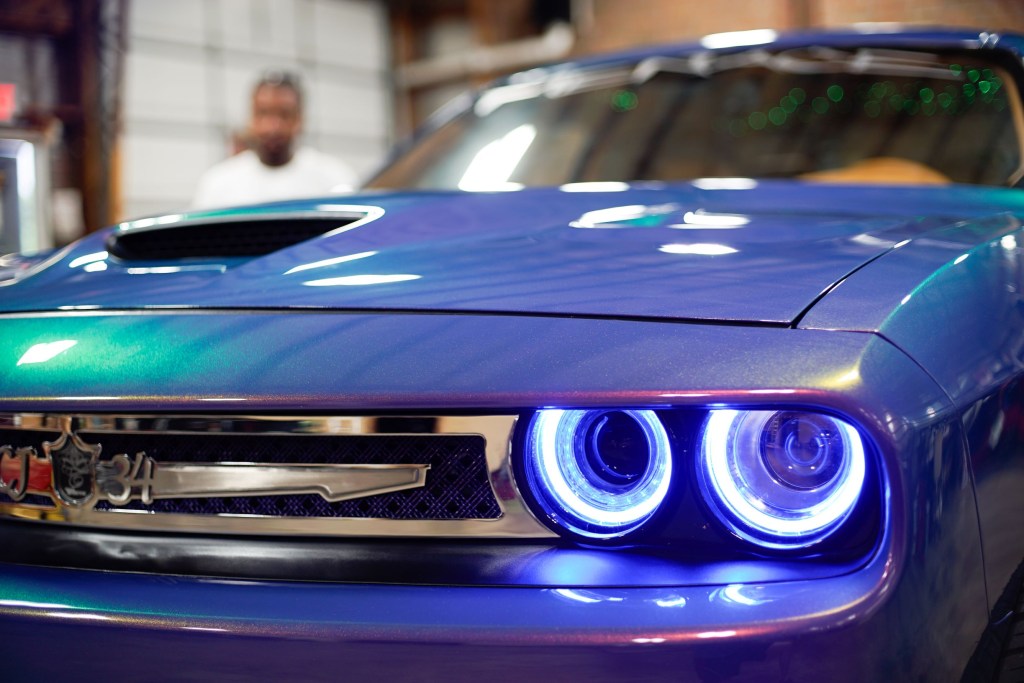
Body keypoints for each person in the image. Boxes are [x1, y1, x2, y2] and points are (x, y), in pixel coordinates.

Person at [192, 71, 359, 209]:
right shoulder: (217, 184)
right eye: (263, 113)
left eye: (284, 115)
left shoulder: (336, 179)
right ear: (250, 117)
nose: (272, 127)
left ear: (300, 119)